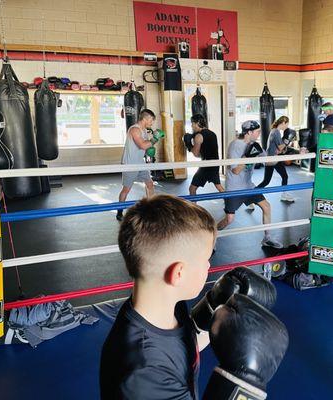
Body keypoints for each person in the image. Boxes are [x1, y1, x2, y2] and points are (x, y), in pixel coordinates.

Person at [100, 194, 287, 399]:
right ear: (178, 274)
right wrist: (245, 380)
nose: (209, 266)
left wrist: (215, 304)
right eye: (207, 259)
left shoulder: (167, 306)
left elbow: (185, 347)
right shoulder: (144, 374)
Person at [217, 120, 283, 249]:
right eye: (257, 131)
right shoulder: (235, 145)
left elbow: (268, 163)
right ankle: (211, 233)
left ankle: (267, 237)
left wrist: (282, 153)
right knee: (229, 220)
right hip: (235, 189)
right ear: (249, 132)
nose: (259, 134)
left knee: (266, 207)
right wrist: (247, 156)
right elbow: (235, 170)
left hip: (249, 186)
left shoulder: (255, 145)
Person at [116, 109, 161, 221]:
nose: (152, 122)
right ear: (145, 119)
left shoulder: (144, 130)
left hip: (141, 163)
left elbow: (146, 148)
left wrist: (149, 154)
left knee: (150, 184)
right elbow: (142, 145)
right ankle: (119, 211)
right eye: (151, 120)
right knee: (126, 189)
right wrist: (155, 139)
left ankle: (151, 209)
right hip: (130, 164)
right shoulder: (135, 130)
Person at [256, 116, 296, 203]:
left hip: (274, 158)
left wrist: (285, 143)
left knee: (283, 176)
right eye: (287, 123)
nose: (287, 126)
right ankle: (252, 194)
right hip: (271, 159)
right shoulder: (276, 132)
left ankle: (284, 194)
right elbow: (281, 148)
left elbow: (279, 149)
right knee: (266, 181)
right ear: (283, 123)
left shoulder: (275, 131)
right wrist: (287, 139)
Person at [183, 114, 224, 195]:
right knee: (219, 186)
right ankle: (229, 202)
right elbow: (201, 154)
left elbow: (195, 154)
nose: (191, 126)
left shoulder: (198, 136)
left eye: (192, 123)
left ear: (197, 123)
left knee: (192, 188)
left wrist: (188, 145)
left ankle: (193, 207)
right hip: (215, 164)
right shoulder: (212, 133)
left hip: (206, 165)